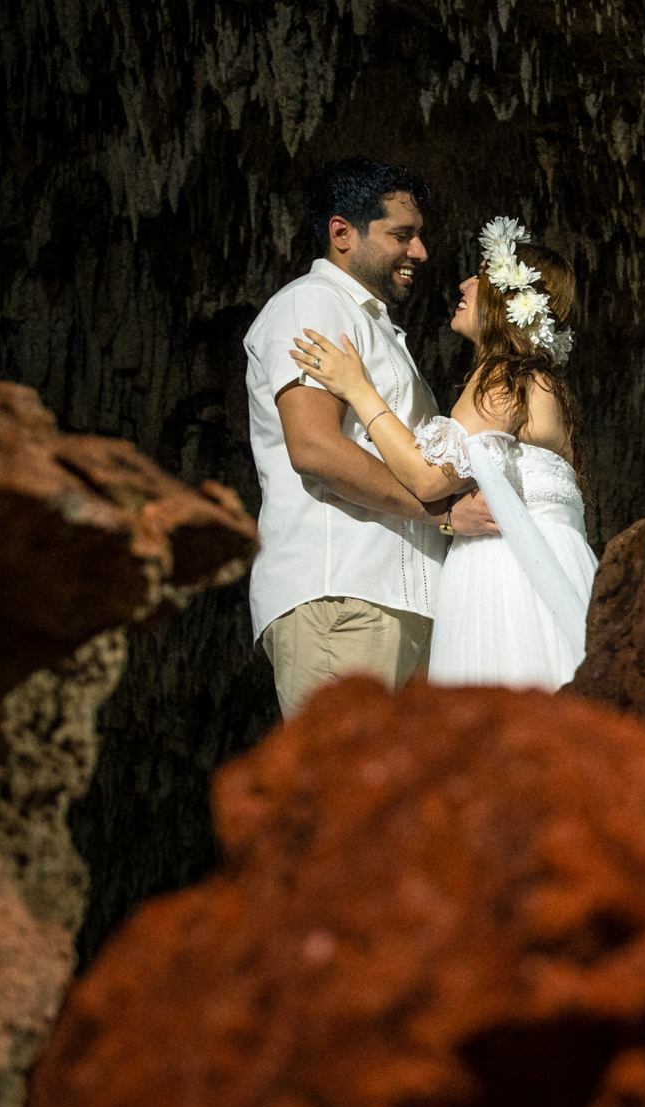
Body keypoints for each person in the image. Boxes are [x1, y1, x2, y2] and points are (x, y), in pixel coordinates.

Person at [290, 215, 598, 690]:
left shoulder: (504, 380)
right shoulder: (544, 384)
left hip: (508, 577)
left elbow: (429, 479)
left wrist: (358, 389)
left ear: (506, 299)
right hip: (550, 565)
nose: (466, 283)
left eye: (481, 276)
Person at [241, 157, 496, 715]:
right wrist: (442, 516)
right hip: (344, 592)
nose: (420, 252)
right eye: (402, 235)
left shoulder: (375, 326)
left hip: (404, 599)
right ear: (342, 233)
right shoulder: (312, 304)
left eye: (420, 236)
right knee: (342, 795)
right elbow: (314, 448)